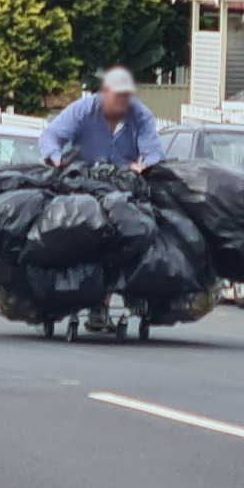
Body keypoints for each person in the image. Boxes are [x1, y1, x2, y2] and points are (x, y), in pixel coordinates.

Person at [38, 65, 167, 330]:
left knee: (122, 238)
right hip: (82, 188)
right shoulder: (83, 110)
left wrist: (145, 167)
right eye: (116, 98)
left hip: (121, 191)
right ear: (104, 93)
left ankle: (107, 301)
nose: (121, 105)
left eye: (125, 98)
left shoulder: (140, 115)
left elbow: (153, 150)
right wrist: (56, 159)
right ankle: (67, 298)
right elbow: (52, 136)